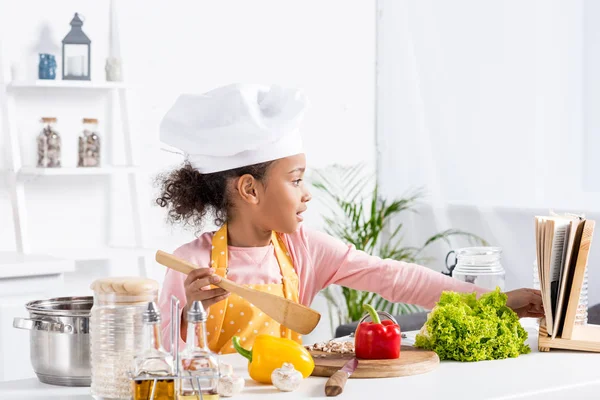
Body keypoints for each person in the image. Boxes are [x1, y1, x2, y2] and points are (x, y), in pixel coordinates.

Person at [156, 83, 544, 354]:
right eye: (295, 180)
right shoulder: (189, 265)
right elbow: (162, 360)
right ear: (250, 189)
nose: (306, 192)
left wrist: (496, 302)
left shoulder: (302, 249)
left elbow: (396, 279)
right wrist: (193, 311)